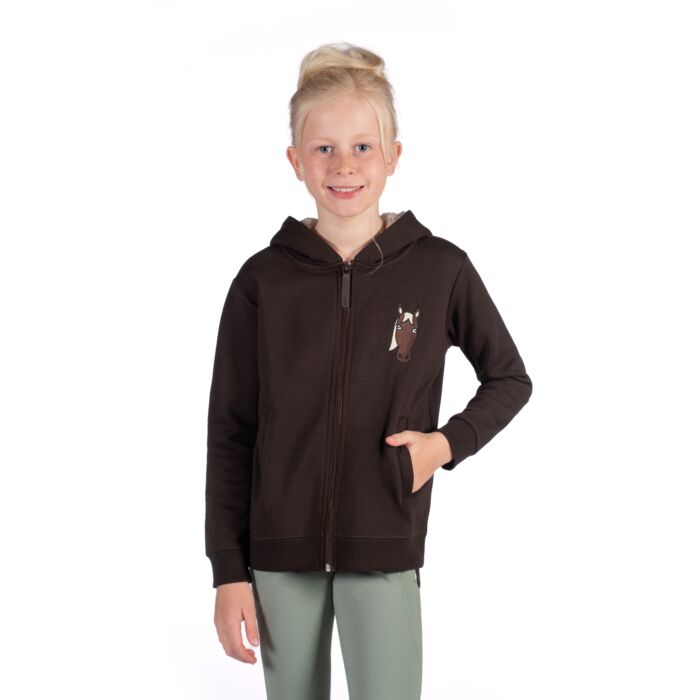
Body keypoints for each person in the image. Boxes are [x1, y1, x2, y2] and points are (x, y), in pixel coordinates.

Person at [205, 41, 533, 700]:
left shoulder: (439, 268)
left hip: (384, 540)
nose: (344, 165)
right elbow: (231, 433)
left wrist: (444, 445)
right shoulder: (262, 281)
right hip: (279, 553)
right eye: (323, 148)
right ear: (296, 161)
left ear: (393, 155)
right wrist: (228, 571)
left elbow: (509, 378)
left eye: (362, 146)